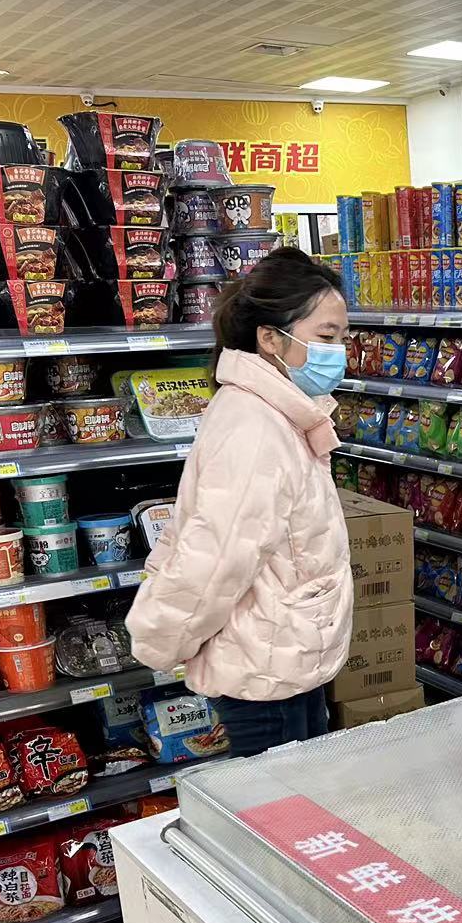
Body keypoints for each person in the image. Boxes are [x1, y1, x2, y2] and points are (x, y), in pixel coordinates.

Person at [128, 247, 354, 758]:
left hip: (282, 656)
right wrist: (159, 640)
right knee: (281, 802)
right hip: (264, 672)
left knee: (298, 797)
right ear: (270, 338)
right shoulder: (255, 427)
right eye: (326, 337)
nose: (339, 352)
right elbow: (215, 557)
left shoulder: (280, 411)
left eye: (343, 337)